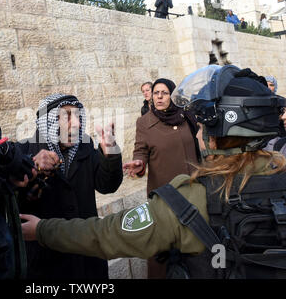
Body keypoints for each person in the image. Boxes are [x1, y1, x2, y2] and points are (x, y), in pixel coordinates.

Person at [21, 64, 286, 279]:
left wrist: (43, 230)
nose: (199, 131)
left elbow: (107, 233)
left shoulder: (183, 202)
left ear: (218, 135)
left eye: (204, 125)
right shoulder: (24, 153)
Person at [16, 93, 123, 279]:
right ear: (47, 122)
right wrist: (33, 167)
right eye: (66, 116)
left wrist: (110, 154)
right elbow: (14, 200)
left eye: (78, 116)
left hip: (87, 256)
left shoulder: (85, 147)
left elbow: (107, 186)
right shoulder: (24, 152)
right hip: (47, 263)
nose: (76, 124)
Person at [123, 78, 200, 278]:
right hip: (166, 196)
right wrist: (139, 163)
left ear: (172, 96)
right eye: (156, 92)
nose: (159, 96)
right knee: (164, 250)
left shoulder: (186, 117)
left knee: (195, 246)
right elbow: (140, 150)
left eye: (164, 93)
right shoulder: (145, 122)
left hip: (193, 192)